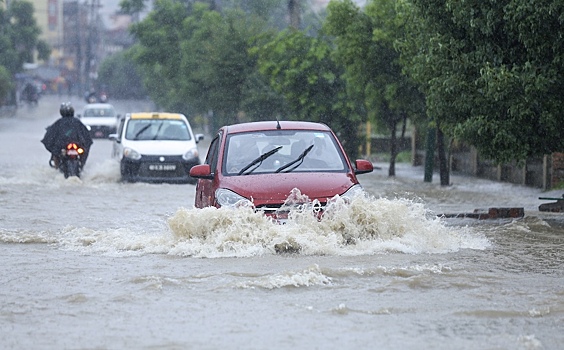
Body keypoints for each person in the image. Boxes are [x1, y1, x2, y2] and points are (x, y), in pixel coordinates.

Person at [41, 102, 93, 169]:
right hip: (66, 146)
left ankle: (57, 167)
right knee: (56, 152)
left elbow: (50, 137)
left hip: (67, 145)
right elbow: (86, 136)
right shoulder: (76, 122)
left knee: (56, 152)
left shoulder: (60, 122)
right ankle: (80, 165)